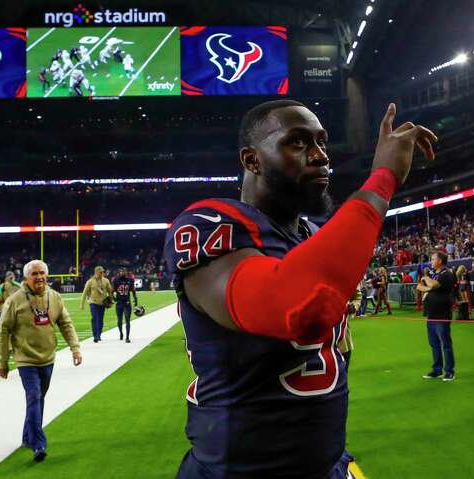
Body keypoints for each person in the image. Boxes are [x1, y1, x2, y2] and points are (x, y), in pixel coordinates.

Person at [163, 100, 435, 477]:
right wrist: (383, 178)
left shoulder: (313, 236)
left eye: (322, 142)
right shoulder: (210, 223)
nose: (320, 156)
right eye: (298, 143)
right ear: (252, 160)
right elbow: (296, 306)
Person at [0, 260, 82, 463]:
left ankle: (27, 436)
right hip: (25, 359)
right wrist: (3, 361)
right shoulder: (15, 300)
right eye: (34, 273)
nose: (39, 277)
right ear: (26, 277)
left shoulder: (54, 296)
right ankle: (38, 444)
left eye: (42, 273)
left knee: (38, 398)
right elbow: (3, 331)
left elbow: (66, 323)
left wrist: (75, 348)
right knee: (34, 395)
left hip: (48, 357)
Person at [418, 251, 457, 381]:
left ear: (440, 261)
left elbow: (433, 285)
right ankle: (437, 370)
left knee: (445, 344)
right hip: (431, 315)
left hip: (442, 315)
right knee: (434, 344)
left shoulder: (447, 274)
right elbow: (420, 287)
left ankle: (449, 371)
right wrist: (429, 286)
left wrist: (426, 279)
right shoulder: (436, 275)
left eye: (433, 259)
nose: (431, 261)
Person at [81, 266, 113, 343]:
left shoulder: (106, 281)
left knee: (101, 319)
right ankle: (95, 336)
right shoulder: (90, 281)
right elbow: (84, 293)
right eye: (101, 272)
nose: (102, 273)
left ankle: (99, 334)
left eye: (102, 272)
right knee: (95, 318)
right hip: (93, 302)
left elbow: (110, 291)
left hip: (102, 303)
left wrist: (111, 300)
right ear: (96, 272)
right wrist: (82, 304)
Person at [111, 267, 138, 343]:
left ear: (126, 272)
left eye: (124, 271)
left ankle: (127, 337)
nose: (122, 273)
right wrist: (114, 298)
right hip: (119, 303)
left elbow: (133, 290)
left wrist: (135, 299)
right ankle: (121, 333)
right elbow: (111, 291)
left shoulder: (130, 280)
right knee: (119, 320)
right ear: (119, 272)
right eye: (121, 271)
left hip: (127, 302)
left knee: (127, 320)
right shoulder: (116, 280)